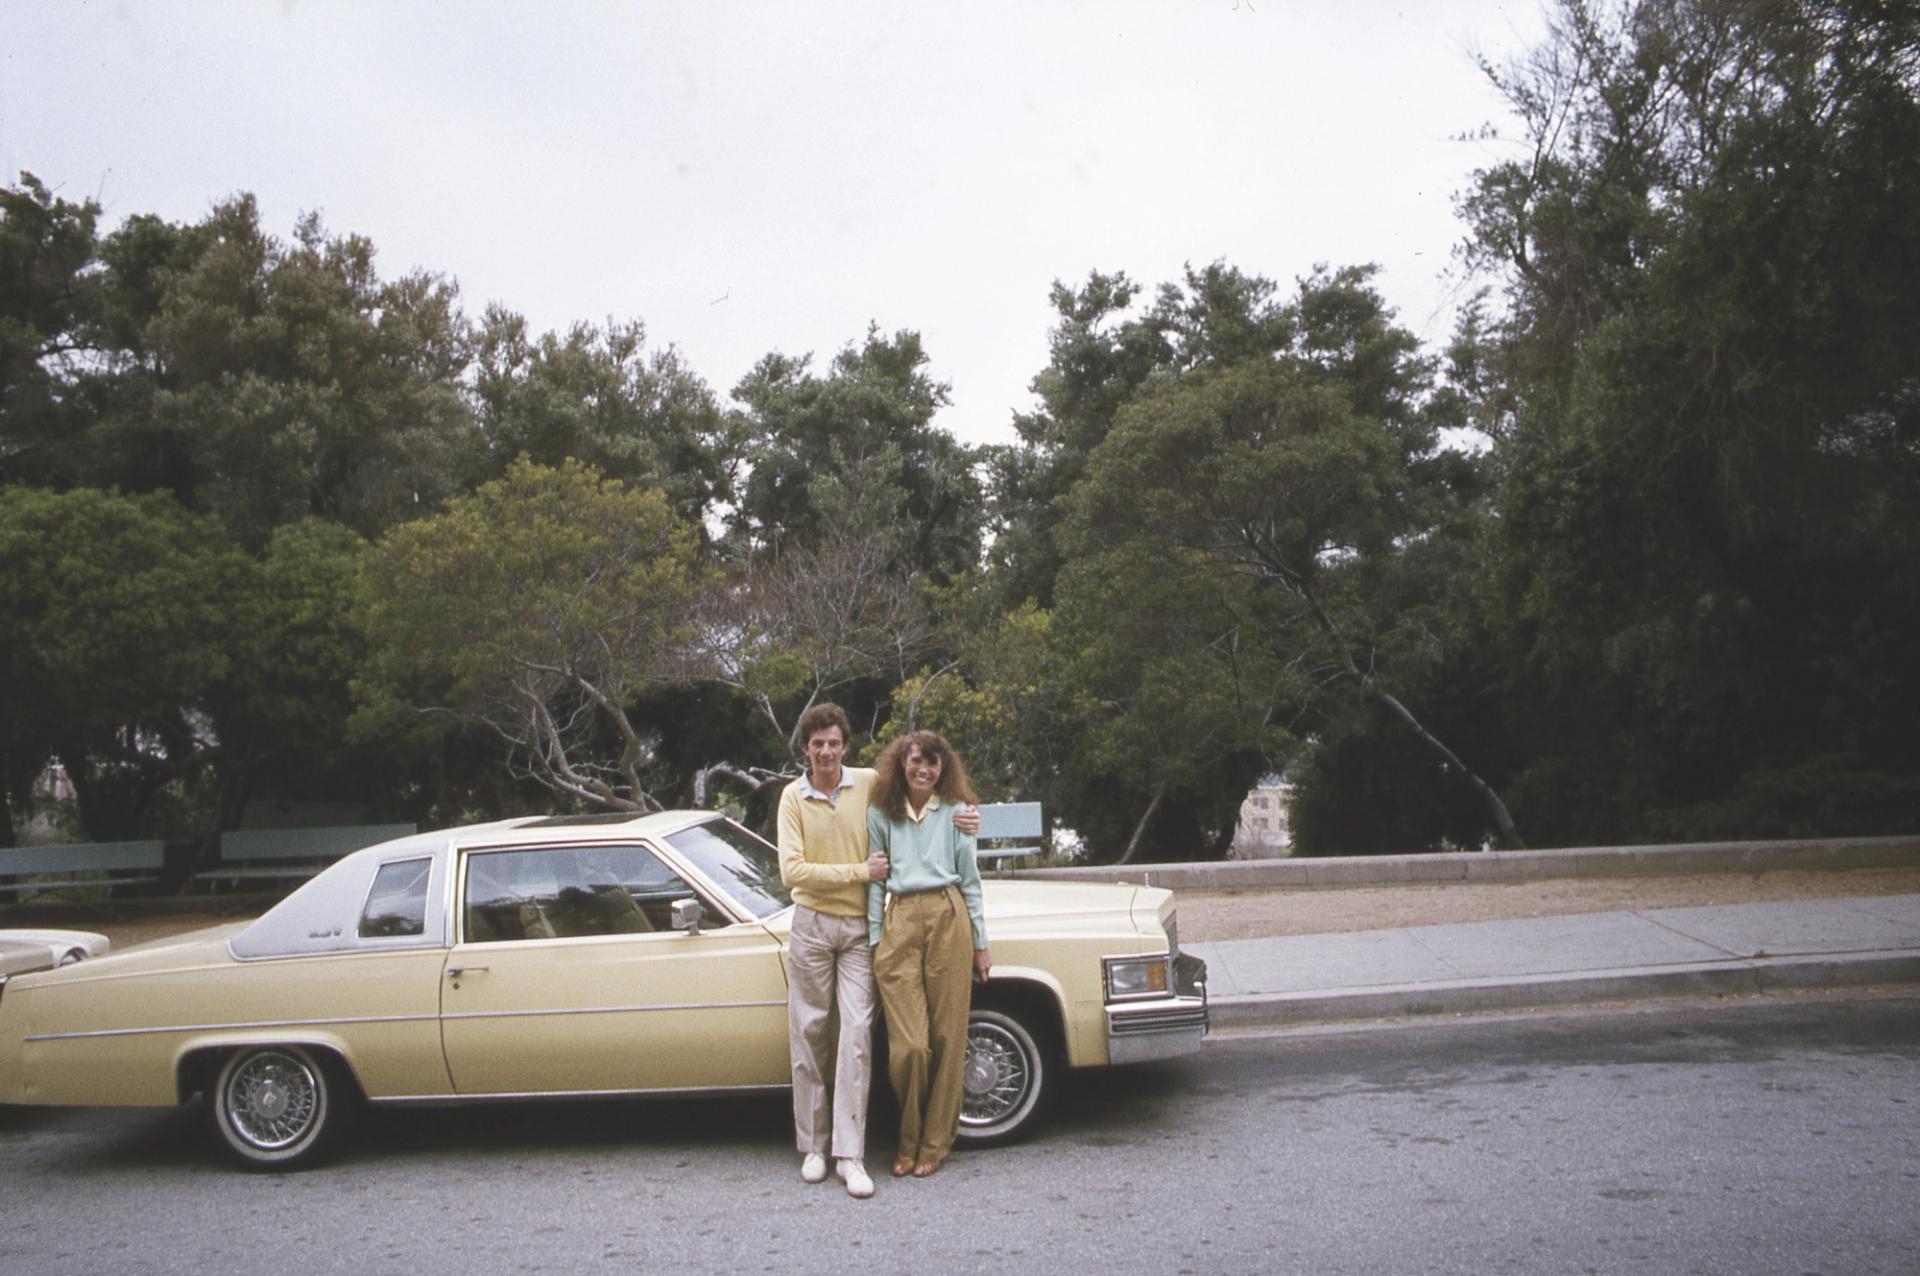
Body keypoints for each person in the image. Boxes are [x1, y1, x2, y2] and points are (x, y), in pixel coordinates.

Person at [776, 704, 977, 1199]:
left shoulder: (866, 781)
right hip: (812, 925)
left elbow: (928, 782)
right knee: (810, 1033)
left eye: (834, 743)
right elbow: (792, 872)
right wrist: (859, 873)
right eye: (817, 743)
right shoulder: (792, 798)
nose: (826, 751)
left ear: (845, 746)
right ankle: (815, 1148)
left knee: (858, 1035)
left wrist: (971, 813)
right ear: (806, 748)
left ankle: (851, 1154)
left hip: (858, 929)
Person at [865, 729, 991, 1179]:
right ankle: (907, 1137)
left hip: (947, 915)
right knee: (910, 1048)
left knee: (947, 1038)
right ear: (902, 763)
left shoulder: (957, 813)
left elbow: (970, 879)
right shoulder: (882, 813)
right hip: (899, 922)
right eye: (916, 760)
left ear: (943, 768)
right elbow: (876, 881)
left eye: (933, 763)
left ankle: (934, 1143)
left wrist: (980, 942)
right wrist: (877, 938)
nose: (923, 769)